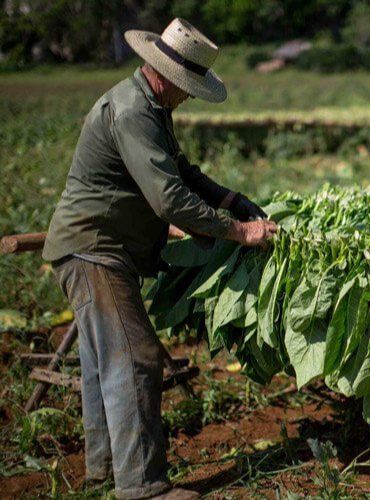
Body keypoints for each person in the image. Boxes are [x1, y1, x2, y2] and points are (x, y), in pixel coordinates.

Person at [42, 18, 275, 500]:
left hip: (96, 247)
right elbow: (169, 199)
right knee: (134, 359)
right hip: (95, 250)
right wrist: (239, 232)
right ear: (164, 73)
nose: (189, 96)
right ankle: (143, 487)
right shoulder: (131, 112)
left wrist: (231, 199)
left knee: (102, 363)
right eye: (188, 87)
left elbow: (181, 170)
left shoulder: (149, 107)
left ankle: (103, 471)